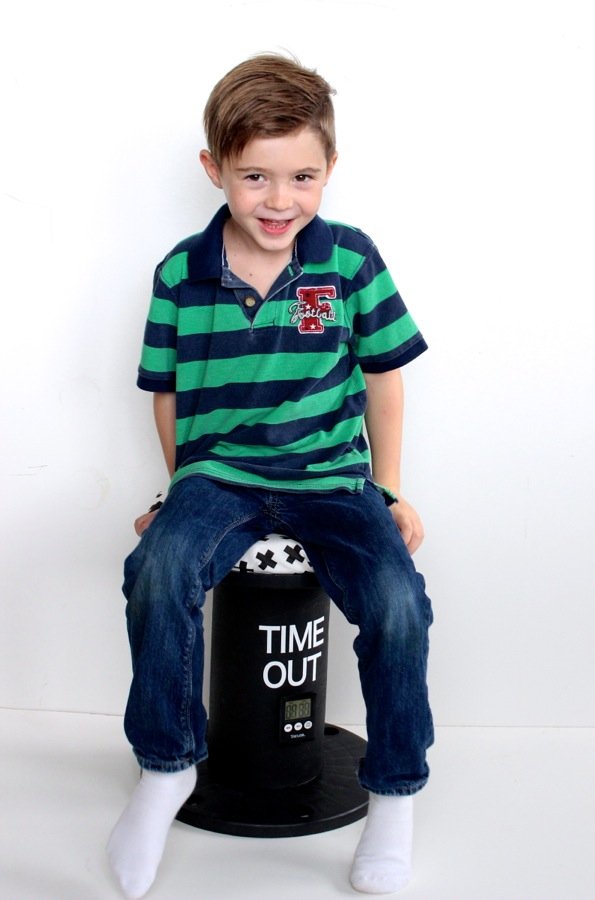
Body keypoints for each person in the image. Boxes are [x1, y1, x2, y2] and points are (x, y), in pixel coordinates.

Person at [107, 52, 433, 899]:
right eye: (255, 176)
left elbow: (383, 378)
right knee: (159, 572)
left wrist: (389, 486)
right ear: (215, 169)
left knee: (399, 602)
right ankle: (168, 764)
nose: (278, 200)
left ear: (329, 170)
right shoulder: (181, 273)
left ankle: (394, 796)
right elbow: (169, 393)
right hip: (220, 476)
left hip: (330, 477)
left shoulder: (349, 260)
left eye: (301, 176)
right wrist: (179, 489)